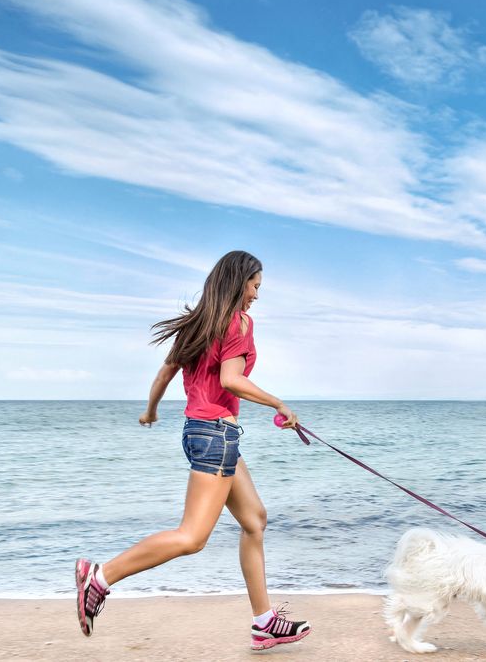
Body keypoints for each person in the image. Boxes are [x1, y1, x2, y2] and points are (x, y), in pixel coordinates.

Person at [74, 250, 312, 651]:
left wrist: (150, 411)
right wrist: (278, 404)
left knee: (254, 520)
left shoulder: (198, 324)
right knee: (192, 537)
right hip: (216, 434)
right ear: (238, 282)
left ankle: (264, 623)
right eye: (254, 286)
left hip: (201, 431)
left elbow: (166, 372)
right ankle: (100, 577)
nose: (256, 295)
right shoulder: (238, 322)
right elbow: (232, 380)